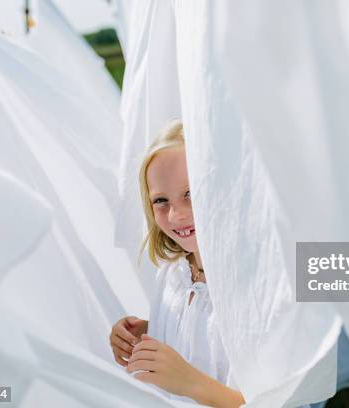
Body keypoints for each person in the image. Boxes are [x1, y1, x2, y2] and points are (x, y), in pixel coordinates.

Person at [109, 119, 245, 407]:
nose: (176, 215)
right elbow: (203, 338)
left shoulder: (248, 288)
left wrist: (188, 381)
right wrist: (150, 331)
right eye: (161, 200)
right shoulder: (174, 276)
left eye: (190, 194)